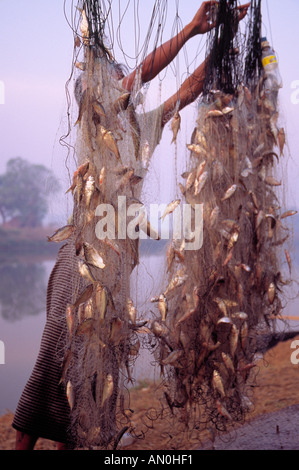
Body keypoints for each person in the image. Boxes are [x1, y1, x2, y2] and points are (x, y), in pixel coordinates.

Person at [12, 1, 250, 450]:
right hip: (78, 263)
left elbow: (189, 87)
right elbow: (139, 75)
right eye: (109, 88)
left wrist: (220, 39)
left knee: (92, 379)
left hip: (116, 272)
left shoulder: (142, 127)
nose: (120, 92)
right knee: (51, 368)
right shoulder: (92, 127)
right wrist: (190, 30)